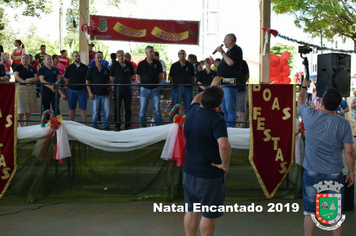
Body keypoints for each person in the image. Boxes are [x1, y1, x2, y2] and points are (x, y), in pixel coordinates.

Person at [297, 80, 354, 236]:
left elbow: (300, 102)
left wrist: (304, 86)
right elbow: (349, 151)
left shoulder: (310, 115)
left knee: (310, 212)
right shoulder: (343, 124)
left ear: (321, 102)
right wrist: (351, 172)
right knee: (333, 214)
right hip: (334, 174)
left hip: (311, 172)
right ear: (338, 106)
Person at [183, 76, 231, 236]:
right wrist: (225, 165)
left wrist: (210, 87)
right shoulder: (216, 120)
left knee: (191, 210)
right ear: (219, 104)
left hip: (189, 172)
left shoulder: (192, 111)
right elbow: (223, 144)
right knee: (208, 214)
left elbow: (196, 99)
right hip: (208, 175)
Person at [212, 33, 243, 127]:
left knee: (229, 108)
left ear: (230, 40)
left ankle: (231, 128)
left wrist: (221, 52)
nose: (223, 42)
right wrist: (213, 62)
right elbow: (224, 66)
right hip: (223, 83)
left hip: (230, 82)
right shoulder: (228, 52)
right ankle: (227, 127)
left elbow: (230, 63)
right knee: (224, 108)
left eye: (225, 39)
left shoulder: (237, 50)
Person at [136, 45, 163, 127]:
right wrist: (143, 84)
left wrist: (155, 84)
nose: (152, 53)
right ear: (146, 53)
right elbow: (138, 76)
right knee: (143, 110)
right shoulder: (141, 64)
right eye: (150, 52)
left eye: (153, 52)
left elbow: (160, 76)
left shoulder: (157, 63)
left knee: (157, 110)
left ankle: (158, 126)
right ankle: (142, 126)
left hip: (155, 89)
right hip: (144, 89)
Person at [86, 53, 112, 130]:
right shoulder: (91, 69)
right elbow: (87, 82)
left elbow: (109, 81)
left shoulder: (106, 69)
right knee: (95, 112)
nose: (99, 59)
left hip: (105, 94)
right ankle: (94, 128)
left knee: (106, 112)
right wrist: (90, 93)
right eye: (98, 57)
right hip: (95, 94)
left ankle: (106, 127)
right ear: (94, 59)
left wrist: (111, 90)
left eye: (100, 57)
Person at [110, 50, 135, 131]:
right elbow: (110, 76)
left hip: (127, 89)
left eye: (122, 55)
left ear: (124, 56)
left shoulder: (129, 64)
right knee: (117, 108)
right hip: (118, 90)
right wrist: (116, 84)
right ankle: (117, 126)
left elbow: (132, 76)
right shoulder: (114, 65)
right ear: (117, 57)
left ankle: (127, 125)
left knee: (128, 108)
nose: (121, 57)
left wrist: (127, 82)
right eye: (119, 56)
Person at [13, 54, 39, 127]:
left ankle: (26, 124)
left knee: (29, 107)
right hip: (21, 88)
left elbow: (37, 78)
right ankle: (20, 124)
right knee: (21, 107)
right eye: (23, 58)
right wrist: (23, 82)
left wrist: (30, 80)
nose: (24, 59)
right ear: (21, 59)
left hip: (30, 88)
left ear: (28, 59)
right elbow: (16, 76)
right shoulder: (18, 67)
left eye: (26, 58)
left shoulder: (32, 68)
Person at [63, 51, 88, 122]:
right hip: (72, 90)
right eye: (76, 56)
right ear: (73, 57)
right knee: (71, 108)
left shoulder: (85, 67)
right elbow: (65, 78)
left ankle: (84, 124)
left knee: (83, 108)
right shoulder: (69, 67)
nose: (77, 57)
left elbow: (88, 79)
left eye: (78, 56)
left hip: (82, 90)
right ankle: (71, 124)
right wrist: (69, 85)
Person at [236, 60, 249, 128]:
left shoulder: (243, 62)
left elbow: (247, 75)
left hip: (241, 88)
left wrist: (242, 82)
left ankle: (242, 124)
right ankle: (236, 124)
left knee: (242, 108)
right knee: (232, 108)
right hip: (230, 88)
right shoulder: (226, 61)